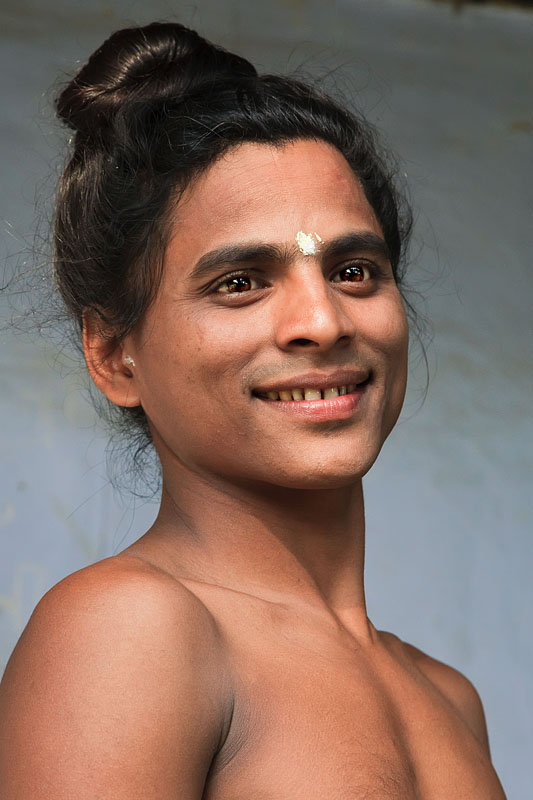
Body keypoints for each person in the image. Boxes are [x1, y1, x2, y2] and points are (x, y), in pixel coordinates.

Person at [0, 21, 506, 799]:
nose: (325, 320)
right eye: (239, 282)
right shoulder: (130, 629)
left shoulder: (448, 697)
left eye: (354, 269)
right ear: (113, 356)